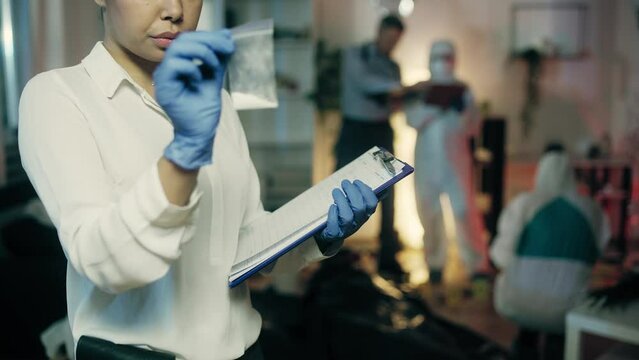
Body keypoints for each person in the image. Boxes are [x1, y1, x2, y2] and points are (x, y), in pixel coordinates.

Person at [18, 1, 379, 359]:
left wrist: (319, 230)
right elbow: (104, 264)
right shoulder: (58, 96)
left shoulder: (216, 101)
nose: (175, 10)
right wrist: (185, 152)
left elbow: (245, 243)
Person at [490, 145, 610, 360]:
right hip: (568, 307)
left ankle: (524, 348)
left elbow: (500, 256)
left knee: (528, 317)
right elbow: (597, 253)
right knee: (559, 329)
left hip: (517, 302)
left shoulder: (523, 204)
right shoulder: (591, 210)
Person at [404, 40, 485, 285]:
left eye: (448, 57)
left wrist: (460, 109)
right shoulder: (420, 90)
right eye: (439, 57)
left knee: (463, 210)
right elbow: (412, 118)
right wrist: (435, 106)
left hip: (456, 161)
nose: (443, 62)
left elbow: (473, 125)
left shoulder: (464, 89)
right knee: (429, 212)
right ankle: (435, 264)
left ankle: (477, 264)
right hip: (427, 161)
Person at [336, 14, 405, 276]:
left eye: (396, 41)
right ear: (380, 31)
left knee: (390, 193)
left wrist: (402, 97)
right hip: (354, 129)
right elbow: (366, 84)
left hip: (381, 130)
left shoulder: (393, 66)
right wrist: (404, 89)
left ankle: (388, 256)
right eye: (389, 38)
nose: (391, 45)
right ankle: (332, 254)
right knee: (338, 189)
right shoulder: (356, 55)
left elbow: (394, 101)